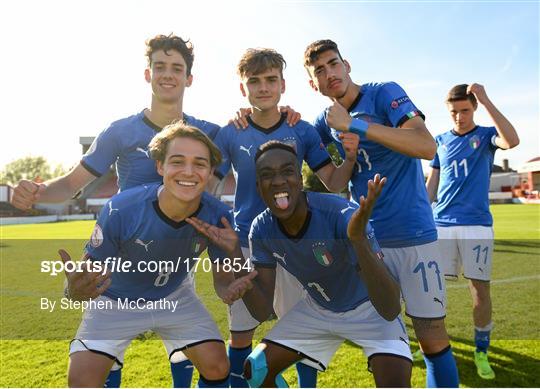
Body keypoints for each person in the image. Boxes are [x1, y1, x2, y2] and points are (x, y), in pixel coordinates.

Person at [304, 39, 459, 387]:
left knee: (432, 340)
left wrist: (357, 126)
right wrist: (347, 156)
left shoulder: (384, 93)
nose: (329, 74)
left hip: (413, 235)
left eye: (333, 64)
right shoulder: (321, 123)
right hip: (368, 245)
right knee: (385, 347)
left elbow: (425, 145)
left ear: (347, 65)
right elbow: (335, 183)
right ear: (312, 83)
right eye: (319, 71)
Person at [192, 142, 411, 387]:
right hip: (318, 308)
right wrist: (234, 253)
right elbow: (261, 312)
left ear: (299, 178)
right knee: (256, 371)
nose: (277, 181)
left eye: (287, 171)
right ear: (258, 187)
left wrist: (358, 241)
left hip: (369, 311)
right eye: (267, 175)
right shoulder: (262, 229)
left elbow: (390, 308)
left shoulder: (341, 216)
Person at [60, 123, 256, 388]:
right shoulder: (122, 209)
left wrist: (229, 282)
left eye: (200, 163)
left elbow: (222, 283)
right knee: (81, 380)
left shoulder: (217, 215)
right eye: (177, 161)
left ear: (211, 171)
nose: (188, 171)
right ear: (160, 167)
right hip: (115, 300)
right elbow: (85, 274)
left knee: (218, 365)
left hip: (174, 296)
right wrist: (71, 289)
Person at [210, 48, 358, 387]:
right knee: (241, 333)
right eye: (255, 82)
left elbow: (333, 183)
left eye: (271, 80)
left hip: (295, 244)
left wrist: (349, 158)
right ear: (242, 89)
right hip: (247, 242)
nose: (263, 88)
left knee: (300, 331)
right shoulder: (231, 132)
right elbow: (210, 189)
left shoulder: (302, 130)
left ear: (283, 85)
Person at [425, 83, 519, 380]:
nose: (459, 117)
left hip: (477, 225)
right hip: (441, 225)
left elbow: (512, 140)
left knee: (479, 291)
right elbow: (432, 186)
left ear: (474, 108)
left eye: (465, 110)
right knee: (430, 290)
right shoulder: (439, 140)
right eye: (454, 112)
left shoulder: (487, 135)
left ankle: (481, 351)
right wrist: (420, 213)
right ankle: (430, 344)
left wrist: (486, 98)